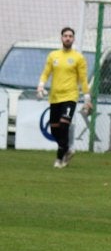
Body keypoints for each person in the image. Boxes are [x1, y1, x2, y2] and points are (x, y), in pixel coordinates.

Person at [36, 26, 91, 168]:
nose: (68, 38)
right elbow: (45, 73)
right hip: (54, 97)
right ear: (61, 38)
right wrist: (41, 85)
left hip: (70, 97)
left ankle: (59, 159)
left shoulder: (78, 57)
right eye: (65, 36)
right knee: (55, 129)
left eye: (70, 36)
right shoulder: (53, 56)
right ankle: (67, 150)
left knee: (64, 124)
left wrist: (87, 99)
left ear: (73, 39)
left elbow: (83, 79)